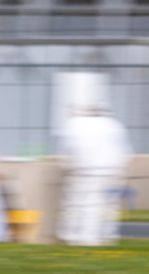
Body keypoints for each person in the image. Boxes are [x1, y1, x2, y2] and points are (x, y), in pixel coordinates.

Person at [56, 99, 132, 246]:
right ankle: (107, 236)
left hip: (85, 172)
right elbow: (125, 152)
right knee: (109, 206)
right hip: (113, 171)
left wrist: (66, 165)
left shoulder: (75, 124)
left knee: (84, 205)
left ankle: (81, 237)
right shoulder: (114, 125)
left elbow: (67, 150)